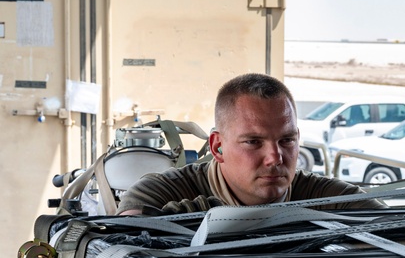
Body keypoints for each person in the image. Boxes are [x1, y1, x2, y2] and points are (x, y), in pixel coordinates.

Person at [117, 73, 385, 215]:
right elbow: (127, 243)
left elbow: (402, 231)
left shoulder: (329, 199)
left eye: (286, 140)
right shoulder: (159, 195)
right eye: (254, 142)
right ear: (217, 147)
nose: (275, 157)